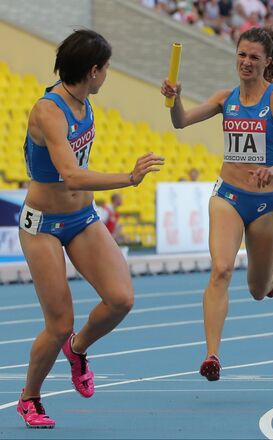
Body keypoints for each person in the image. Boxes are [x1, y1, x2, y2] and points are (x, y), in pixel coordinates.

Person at [16, 29, 164, 428]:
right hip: (43, 225)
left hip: (81, 219)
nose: (107, 75)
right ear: (93, 70)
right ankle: (30, 397)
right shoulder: (49, 110)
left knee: (121, 298)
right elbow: (70, 176)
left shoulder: (84, 102)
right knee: (58, 323)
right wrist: (129, 178)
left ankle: (77, 349)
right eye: (107, 68)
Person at [161, 27, 273, 382]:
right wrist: (176, 99)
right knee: (221, 269)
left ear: (267, 62)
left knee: (257, 291)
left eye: (254, 58)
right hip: (228, 196)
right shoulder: (224, 98)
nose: (246, 63)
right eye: (241, 55)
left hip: (265, 204)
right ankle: (212, 354)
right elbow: (180, 122)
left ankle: (270, 277)